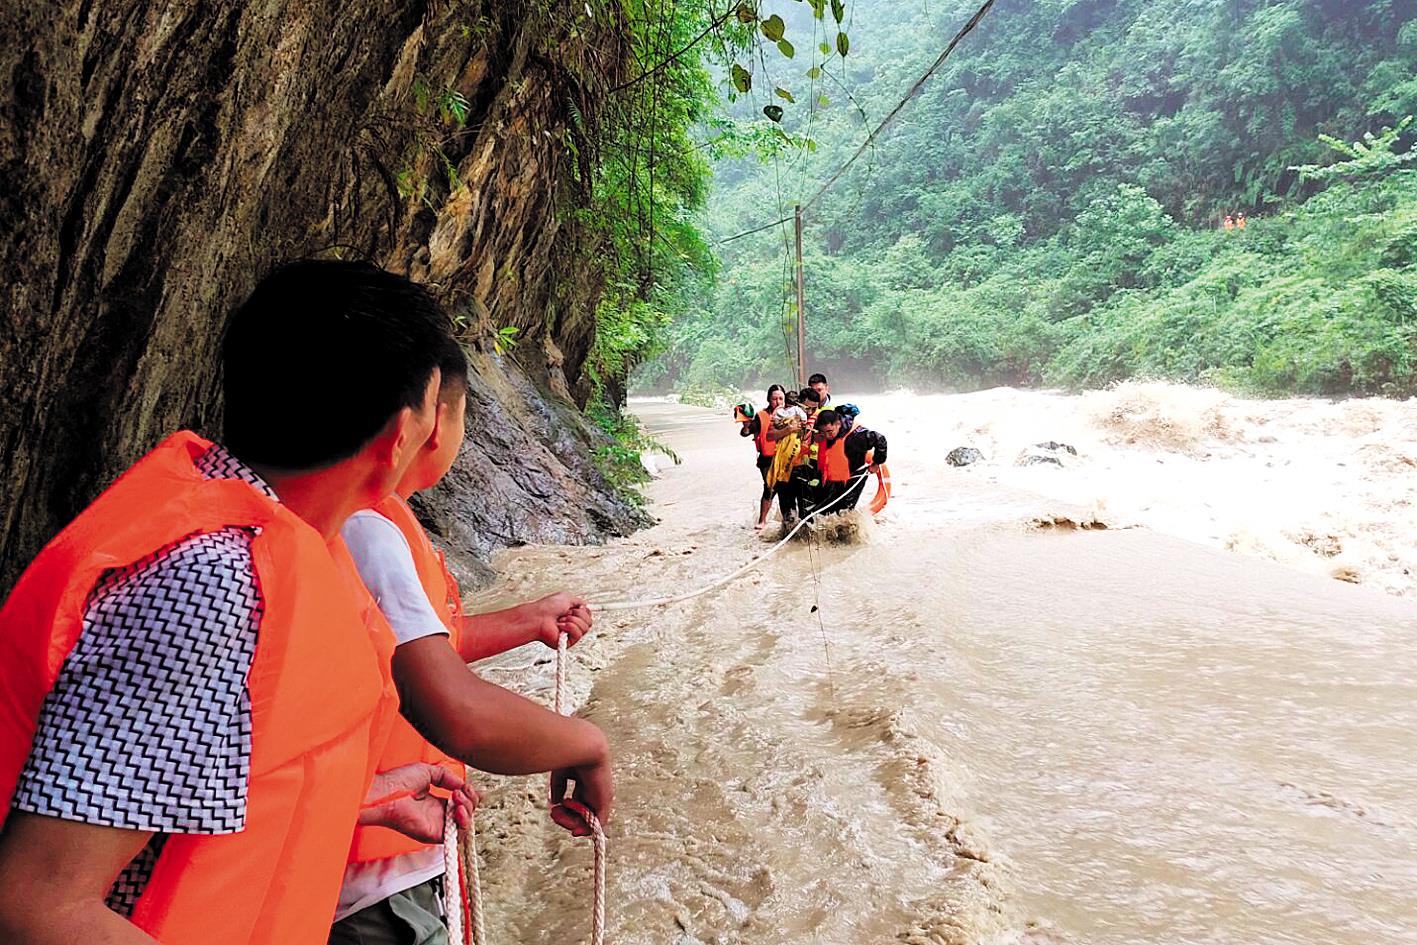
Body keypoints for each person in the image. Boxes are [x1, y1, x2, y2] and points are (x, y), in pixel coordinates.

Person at [0, 260, 478, 945]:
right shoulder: (210, 583)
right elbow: (37, 902)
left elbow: (180, 770)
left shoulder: (281, 547)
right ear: (400, 436)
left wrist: (363, 793)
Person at [333, 340, 612, 944]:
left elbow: (422, 648)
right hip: (370, 878)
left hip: (384, 836)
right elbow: (454, 708)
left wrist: (530, 619)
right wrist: (585, 744)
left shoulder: (365, 520)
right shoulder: (364, 530)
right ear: (426, 427)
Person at [812, 408, 888, 512]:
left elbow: (880, 439)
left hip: (855, 476)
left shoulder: (857, 436)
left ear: (838, 424)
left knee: (843, 511)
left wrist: (876, 462)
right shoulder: (824, 433)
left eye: (830, 432)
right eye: (823, 432)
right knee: (822, 510)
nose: (826, 436)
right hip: (834, 478)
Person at [740, 384, 786, 529]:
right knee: (770, 487)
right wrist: (746, 425)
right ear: (768, 400)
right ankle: (762, 520)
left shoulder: (792, 414)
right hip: (768, 459)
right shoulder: (761, 416)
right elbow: (746, 432)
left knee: (786, 488)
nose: (778, 402)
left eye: (781, 399)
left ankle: (786, 518)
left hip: (786, 458)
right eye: (774, 399)